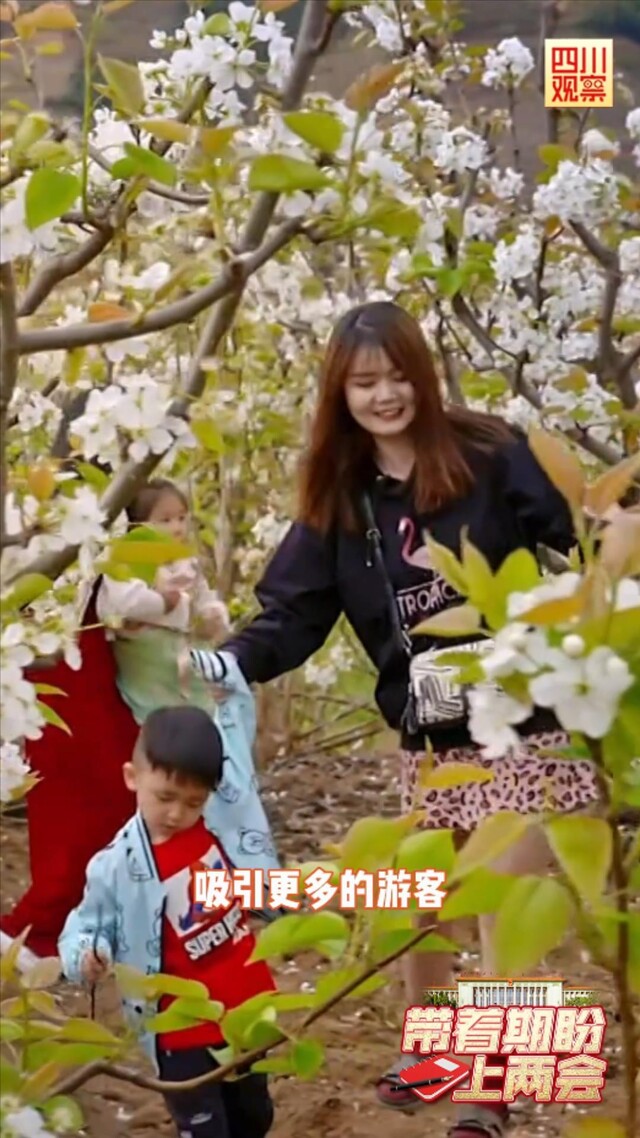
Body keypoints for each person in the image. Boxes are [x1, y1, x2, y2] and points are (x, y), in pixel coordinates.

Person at [186, 302, 600, 1138]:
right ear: (340, 395)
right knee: (423, 901)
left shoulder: (492, 454)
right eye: (365, 383)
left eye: (399, 376)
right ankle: (434, 1059)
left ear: (424, 375)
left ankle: (490, 1096)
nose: (385, 396)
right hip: (431, 734)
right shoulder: (341, 499)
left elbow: (586, 530)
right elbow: (292, 613)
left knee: (505, 898)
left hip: (529, 717)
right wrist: (223, 664)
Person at [0, 481, 278, 962]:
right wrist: (175, 607)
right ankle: (66, 923)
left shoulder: (166, 557)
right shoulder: (119, 560)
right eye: (165, 519)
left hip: (135, 670)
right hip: (71, 638)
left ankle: (170, 912)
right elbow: (124, 606)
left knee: (142, 791)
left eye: (180, 518)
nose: (176, 527)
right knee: (90, 789)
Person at [59, 705, 276, 1138]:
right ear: (132, 777)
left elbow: (236, 733)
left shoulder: (217, 826)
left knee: (254, 1116)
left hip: (245, 1005)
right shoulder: (116, 866)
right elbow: (85, 927)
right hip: (179, 1029)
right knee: (204, 1128)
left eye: (193, 802)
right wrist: (87, 955)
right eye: (165, 797)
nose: (177, 813)